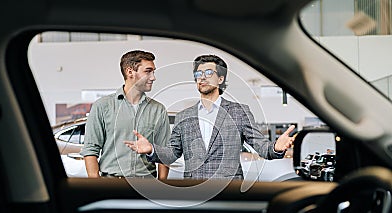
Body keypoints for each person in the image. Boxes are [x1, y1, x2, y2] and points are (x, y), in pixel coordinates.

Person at [124, 54, 294, 179]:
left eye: (208, 73)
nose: (202, 78)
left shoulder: (239, 112)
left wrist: (276, 148)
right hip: (193, 190)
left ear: (220, 79)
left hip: (229, 189)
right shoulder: (184, 116)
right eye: (198, 74)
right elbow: (172, 153)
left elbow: (261, 146)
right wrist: (152, 149)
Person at [80, 50, 170, 179]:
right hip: (112, 183)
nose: (153, 77)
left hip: (148, 185)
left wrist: (161, 187)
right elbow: (90, 149)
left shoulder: (158, 109)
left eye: (153, 72)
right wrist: (96, 185)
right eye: (148, 71)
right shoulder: (102, 106)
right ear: (130, 72)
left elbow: (164, 153)